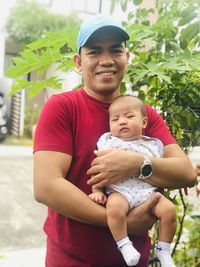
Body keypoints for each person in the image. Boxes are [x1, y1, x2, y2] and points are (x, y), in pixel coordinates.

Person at [33, 15, 196, 267]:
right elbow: (46, 187)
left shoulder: (143, 114)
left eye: (116, 50)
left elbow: (185, 173)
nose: (106, 60)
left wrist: (137, 165)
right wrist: (123, 222)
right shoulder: (63, 108)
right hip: (72, 261)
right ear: (79, 62)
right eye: (95, 51)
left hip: (135, 260)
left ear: (126, 58)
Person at [89, 95, 176, 267]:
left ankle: (164, 250)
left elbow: (164, 170)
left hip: (146, 192)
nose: (122, 121)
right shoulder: (109, 143)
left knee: (169, 210)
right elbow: (96, 167)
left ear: (144, 122)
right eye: (115, 119)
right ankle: (124, 245)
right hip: (120, 191)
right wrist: (97, 191)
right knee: (114, 209)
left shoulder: (153, 144)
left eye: (129, 117)